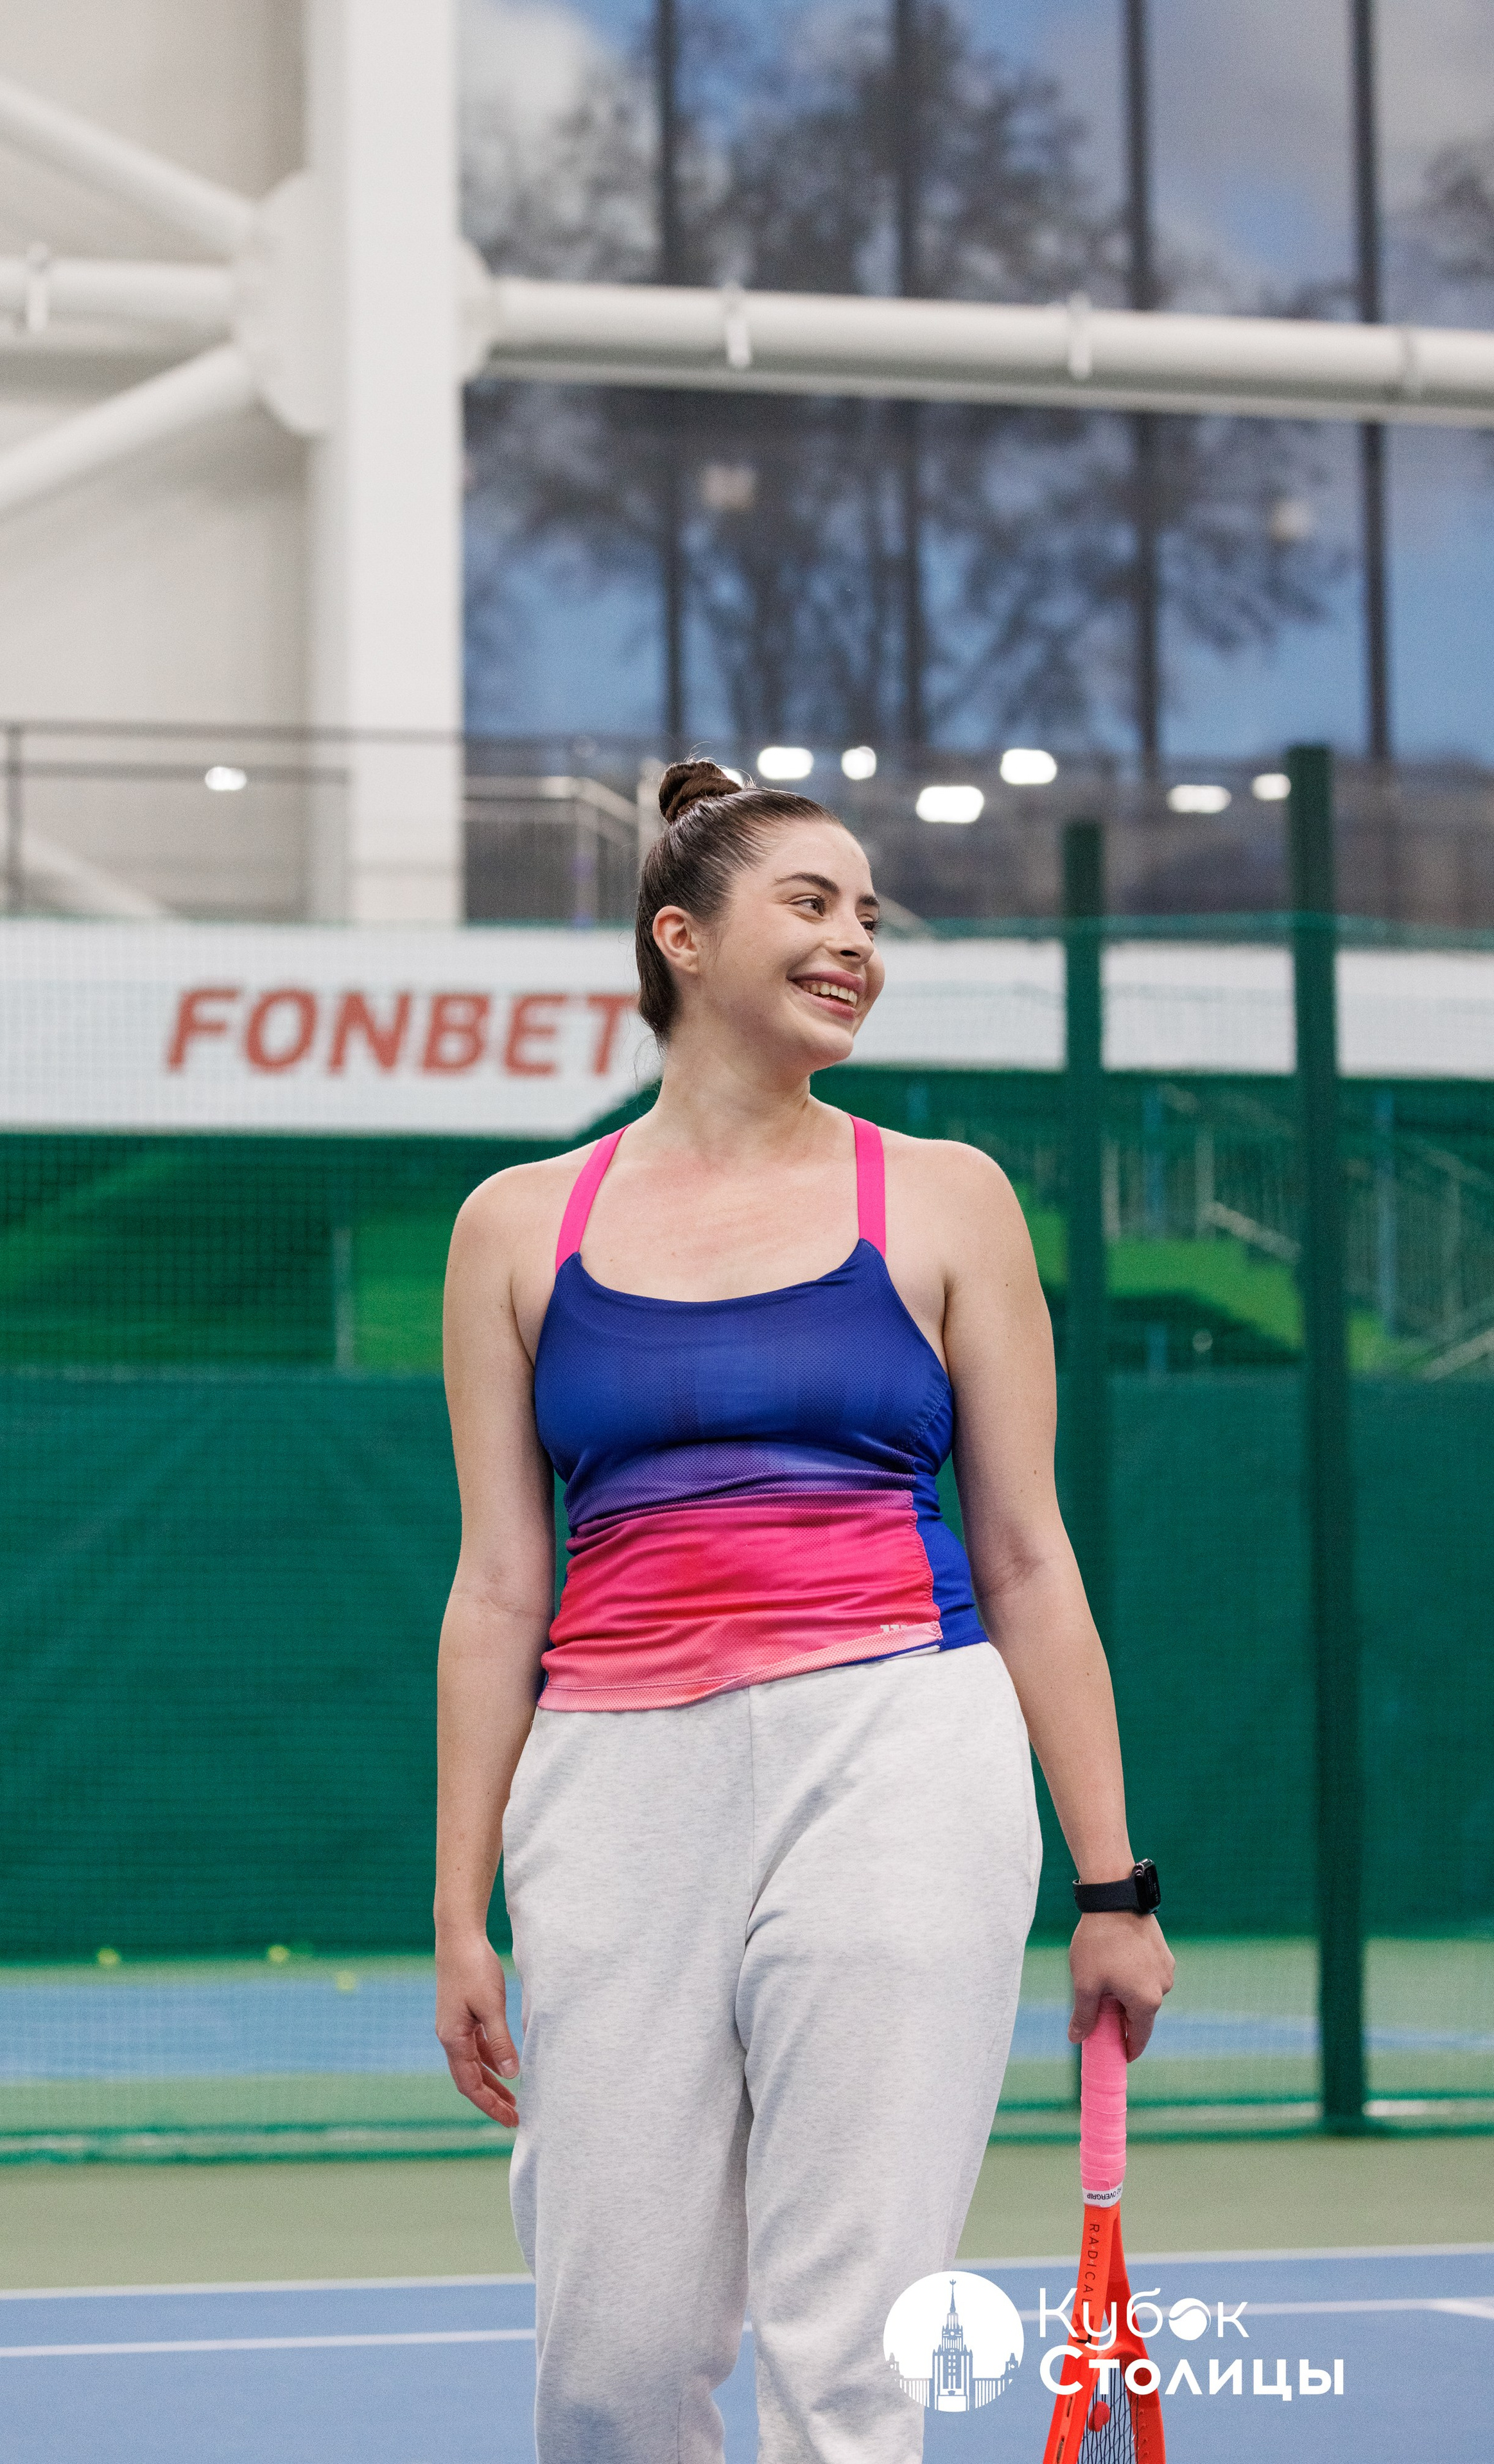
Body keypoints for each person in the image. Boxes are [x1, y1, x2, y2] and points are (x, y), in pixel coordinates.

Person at [434, 758, 1173, 2463]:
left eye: (868, 914)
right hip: (609, 1784)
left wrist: (1116, 1884)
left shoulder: (948, 1196)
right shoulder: (513, 1230)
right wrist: (461, 1905)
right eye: (813, 906)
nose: (857, 943)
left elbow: (1031, 1555)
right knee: (611, 2364)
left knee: (850, 2360)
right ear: (681, 939)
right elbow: (497, 1589)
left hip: (901, 1752)